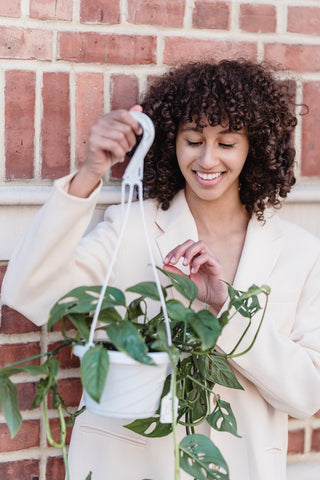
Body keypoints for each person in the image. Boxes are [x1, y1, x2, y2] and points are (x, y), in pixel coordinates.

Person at [2, 60, 320, 480]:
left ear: (254, 147)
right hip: (130, 466)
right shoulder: (131, 227)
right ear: (172, 141)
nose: (207, 159)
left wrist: (224, 311)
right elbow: (30, 292)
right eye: (193, 140)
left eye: (226, 143)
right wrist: (91, 172)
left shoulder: (301, 251)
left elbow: (306, 393)